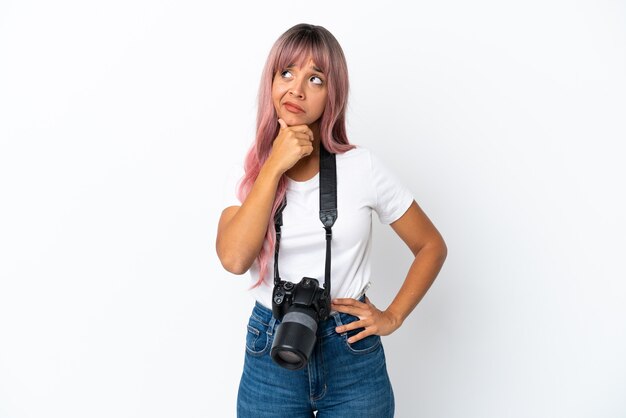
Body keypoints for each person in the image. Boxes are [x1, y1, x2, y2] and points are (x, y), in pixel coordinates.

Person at [216, 23, 447, 418]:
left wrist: (392, 316)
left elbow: (431, 246)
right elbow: (235, 260)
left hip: (350, 348)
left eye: (315, 78)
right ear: (270, 81)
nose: (296, 89)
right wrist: (274, 168)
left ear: (332, 94)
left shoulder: (362, 168)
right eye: (286, 73)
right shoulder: (250, 169)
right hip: (271, 344)